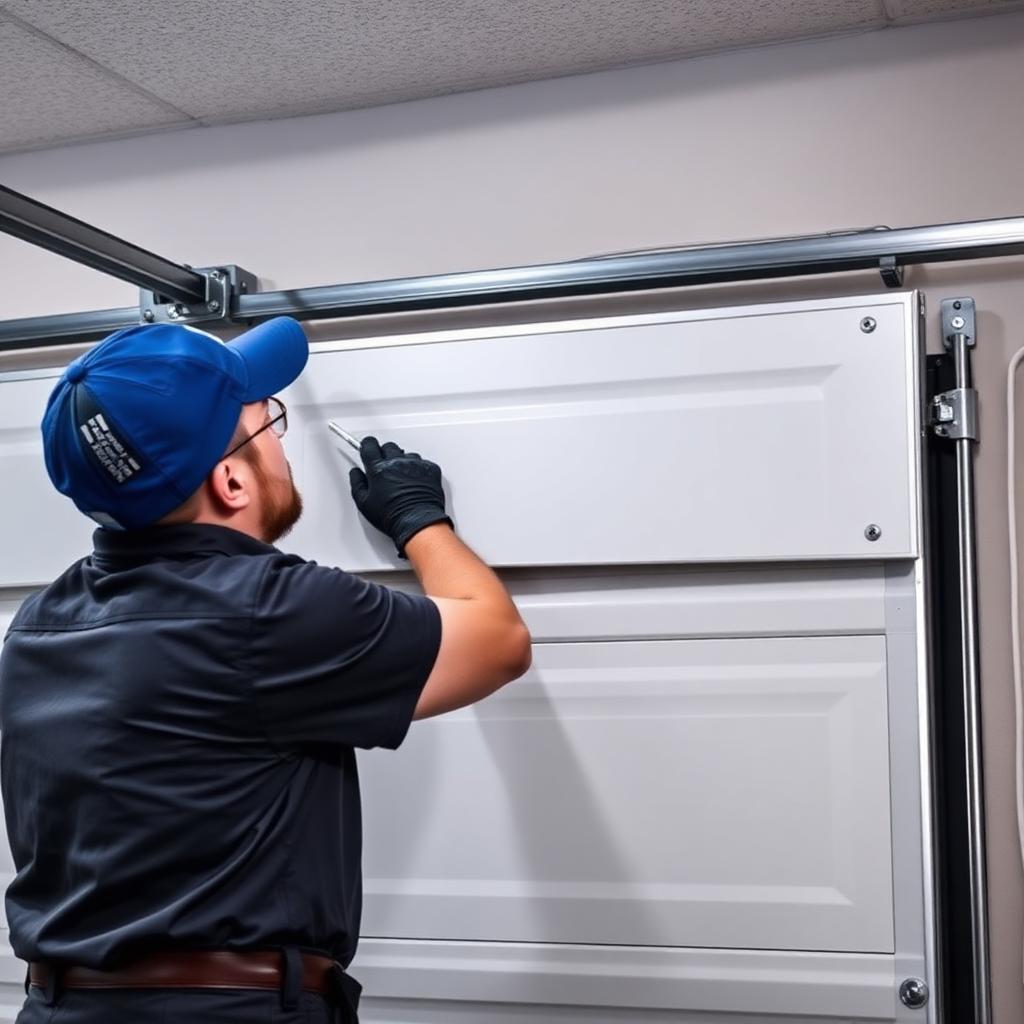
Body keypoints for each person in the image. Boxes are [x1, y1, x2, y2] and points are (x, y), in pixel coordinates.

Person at [0, 316, 532, 1024]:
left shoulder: (37, 625)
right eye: (268, 423)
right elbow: (497, 639)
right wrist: (418, 519)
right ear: (230, 480)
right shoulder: (267, 609)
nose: (281, 443)